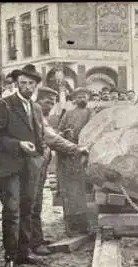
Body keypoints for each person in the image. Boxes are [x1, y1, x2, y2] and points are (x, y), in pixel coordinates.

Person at [0, 64, 46, 267]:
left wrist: (40, 156)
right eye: (23, 83)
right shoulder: (4, 105)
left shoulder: (37, 108)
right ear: (16, 84)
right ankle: (10, 257)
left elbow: (40, 136)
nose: (27, 87)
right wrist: (18, 144)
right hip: (9, 167)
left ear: (36, 84)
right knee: (12, 212)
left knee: (27, 209)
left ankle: (25, 252)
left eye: (31, 83)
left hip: (30, 167)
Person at [31, 86, 89, 255]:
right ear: (38, 100)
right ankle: (30, 244)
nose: (50, 105)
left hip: (40, 165)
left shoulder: (42, 116)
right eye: (46, 101)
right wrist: (75, 148)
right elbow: (50, 137)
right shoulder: (35, 115)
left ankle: (36, 240)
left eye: (52, 102)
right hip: (32, 165)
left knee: (36, 204)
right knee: (31, 204)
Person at [57, 87, 94, 236]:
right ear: (74, 100)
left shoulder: (92, 113)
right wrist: (65, 134)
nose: (82, 99)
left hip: (87, 156)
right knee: (71, 191)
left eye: (84, 96)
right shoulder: (68, 114)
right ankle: (71, 226)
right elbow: (58, 133)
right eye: (79, 97)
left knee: (85, 191)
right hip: (70, 156)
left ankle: (86, 225)